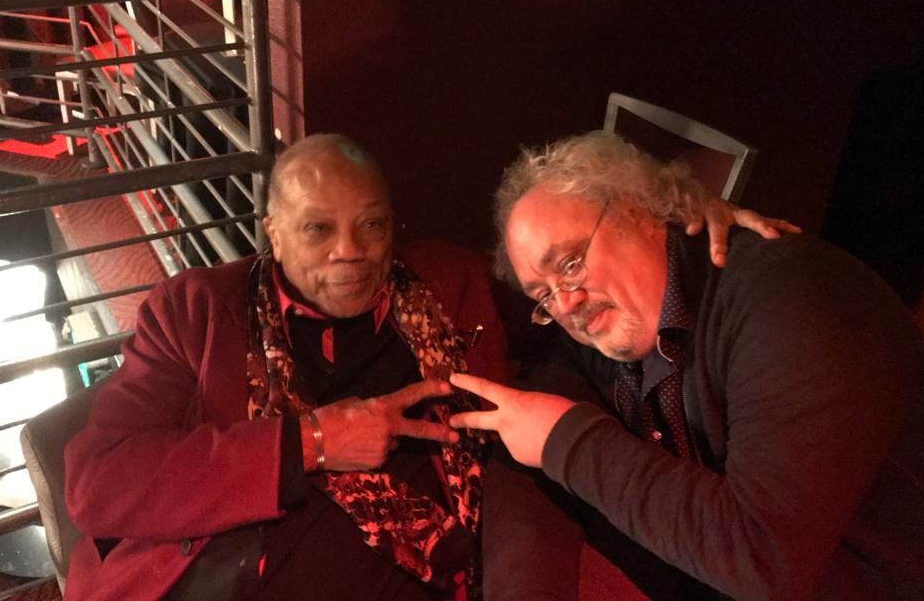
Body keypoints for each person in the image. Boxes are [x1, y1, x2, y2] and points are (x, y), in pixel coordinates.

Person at [62, 132, 793, 600]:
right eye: (317, 229)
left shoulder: (445, 281)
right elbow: (98, 483)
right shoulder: (195, 311)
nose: (350, 251)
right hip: (217, 578)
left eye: (371, 225)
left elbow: (572, 317)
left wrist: (680, 228)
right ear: (273, 234)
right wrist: (310, 442)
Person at [450, 130, 924, 600]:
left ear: (639, 211)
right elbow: (527, 429)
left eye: (570, 263)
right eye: (543, 295)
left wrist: (569, 441)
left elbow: (763, 559)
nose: (565, 304)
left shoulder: (797, 304)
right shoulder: (606, 332)